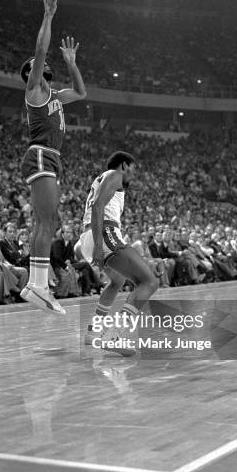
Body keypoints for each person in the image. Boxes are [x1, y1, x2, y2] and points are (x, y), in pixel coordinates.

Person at [19, 0, 86, 314]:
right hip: (41, 154)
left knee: (48, 221)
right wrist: (48, 17)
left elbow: (81, 91)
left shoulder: (56, 94)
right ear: (31, 73)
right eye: (36, 66)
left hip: (51, 158)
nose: (42, 65)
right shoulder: (34, 91)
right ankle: (38, 285)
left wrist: (72, 64)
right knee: (47, 220)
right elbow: (41, 49)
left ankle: (37, 284)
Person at [80, 151, 159, 356]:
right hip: (104, 233)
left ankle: (94, 331)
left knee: (117, 281)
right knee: (149, 282)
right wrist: (98, 245)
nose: (134, 173)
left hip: (92, 234)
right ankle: (113, 335)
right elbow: (98, 207)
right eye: (133, 168)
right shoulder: (114, 175)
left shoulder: (106, 180)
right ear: (124, 165)